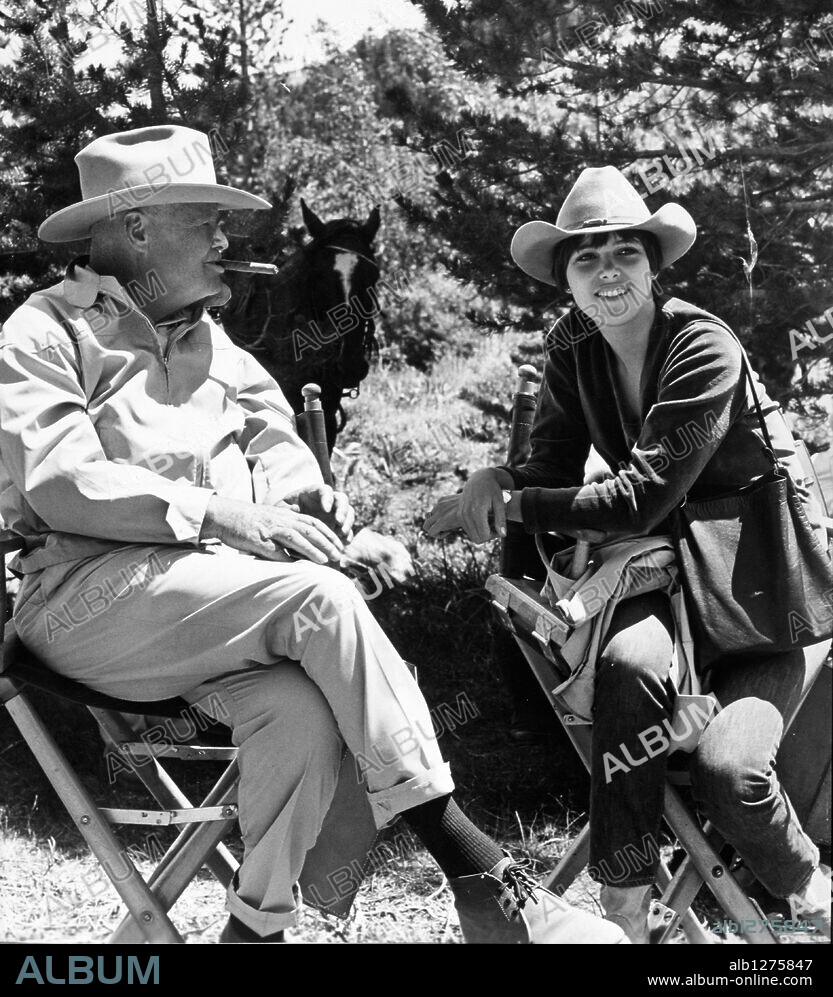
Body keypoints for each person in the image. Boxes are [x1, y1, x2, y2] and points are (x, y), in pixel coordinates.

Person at [0, 125, 627, 945]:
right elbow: (61, 481)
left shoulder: (209, 339)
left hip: (207, 607)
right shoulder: (46, 331)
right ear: (138, 226)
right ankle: (480, 874)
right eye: (205, 218)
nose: (226, 238)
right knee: (321, 603)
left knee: (300, 708)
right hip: (82, 603)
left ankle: (255, 928)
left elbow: (275, 443)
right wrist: (225, 515)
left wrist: (326, 517)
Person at [425, 165, 832, 942]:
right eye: (586, 258)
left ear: (653, 264)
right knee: (630, 667)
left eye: (624, 254)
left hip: (754, 599)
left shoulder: (702, 345)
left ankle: (805, 878)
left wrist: (512, 504)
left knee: (727, 772)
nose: (607, 272)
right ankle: (622, 905)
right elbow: (550, 464)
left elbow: (641, 495)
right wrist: (499, 474)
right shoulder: (572, 345)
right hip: (664, 582)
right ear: (565, 279)